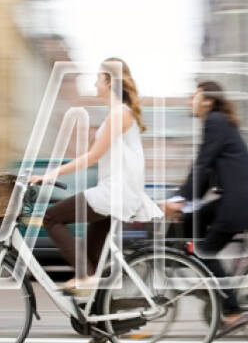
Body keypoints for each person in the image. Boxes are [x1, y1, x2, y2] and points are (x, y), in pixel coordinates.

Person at [32, 58, 162, 296]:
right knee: (94, 261)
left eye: (97, 78)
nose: (94, 83)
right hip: (114, 191)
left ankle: (84, 277)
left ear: (109, 81)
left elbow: (91, 157)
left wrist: (52, 174)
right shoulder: (118, 113)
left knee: (51, 218)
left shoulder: (120, 115)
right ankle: (99, 321)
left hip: (114, 192)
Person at [162, 80, 248, 337]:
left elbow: (202, 166)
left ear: (208, 100)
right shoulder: (218, 123)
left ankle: (232, 310)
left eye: (195, 96)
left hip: (237, 204)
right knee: (188, 225)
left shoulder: (215, 121)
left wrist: (179, 200)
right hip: (235, 200)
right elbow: (208, 174)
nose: (191, 100)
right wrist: (185, 204)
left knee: (204, 251)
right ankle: (206, 282)